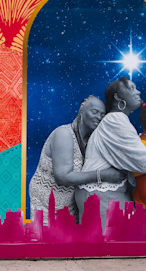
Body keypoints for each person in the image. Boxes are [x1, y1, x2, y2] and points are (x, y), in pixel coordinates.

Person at [75, 77, 146, 230]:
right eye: (132, 88)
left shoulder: (116, 121)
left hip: (106, 194)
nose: (138, 91)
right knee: (108, 248)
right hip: (100, 196)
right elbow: (145, 162)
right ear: (118, 97)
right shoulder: (115, 120)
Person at [28, 95, 125, 224]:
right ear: (81, 111)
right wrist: (103, 176)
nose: (99, 117)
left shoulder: (92, 139)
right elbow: (62, 177)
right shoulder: (64, 134)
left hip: (70, 206)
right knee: (50, 241)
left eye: (103, 114)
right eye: (94, 111)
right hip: (47, 205)